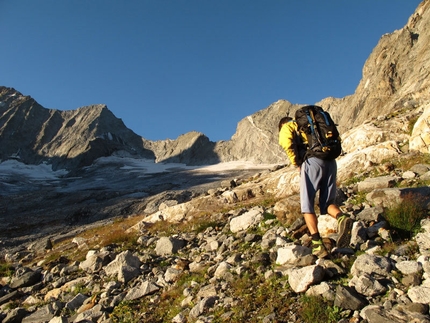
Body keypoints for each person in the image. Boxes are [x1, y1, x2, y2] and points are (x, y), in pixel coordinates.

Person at [278, 116, 353, 258]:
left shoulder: (287, 126)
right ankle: (342, 218)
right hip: (330, 161)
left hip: (312, 162)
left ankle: (317, 244)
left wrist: (296, 163)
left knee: (307, 205)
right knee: (327, 203)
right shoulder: (313, 127)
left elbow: (286, 142)